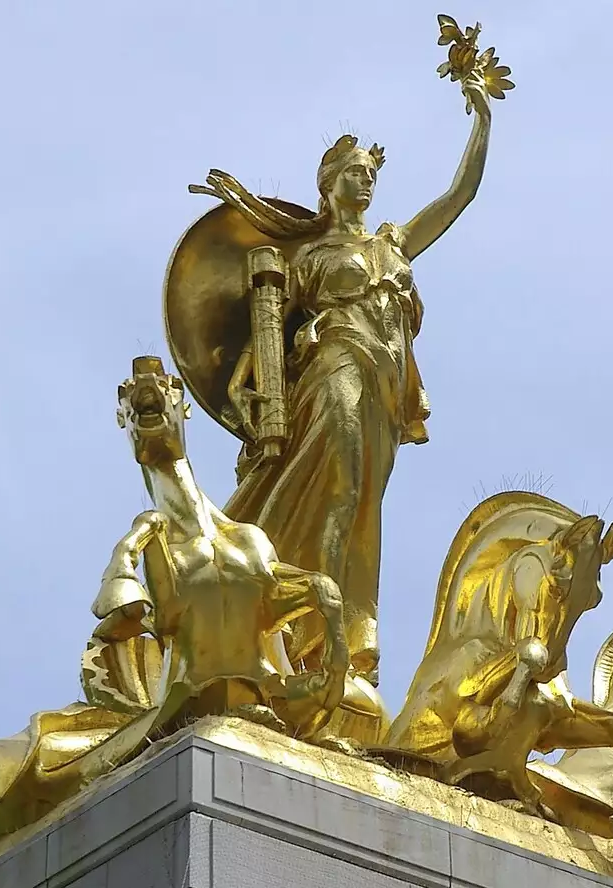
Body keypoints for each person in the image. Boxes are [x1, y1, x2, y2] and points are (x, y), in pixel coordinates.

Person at [192, 73, 495, 684]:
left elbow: (459, 194)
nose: (367, 180)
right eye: (354, 170)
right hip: (334, 365)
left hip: (384, 387)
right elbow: (266, 333)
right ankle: (315, 633)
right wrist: (242, 387)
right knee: (337, 485)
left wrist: (482, 120)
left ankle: (353, 638)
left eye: (371, 173)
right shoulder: (310, 258)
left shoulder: (394, 244)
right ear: (328, 183)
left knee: (361, 508)